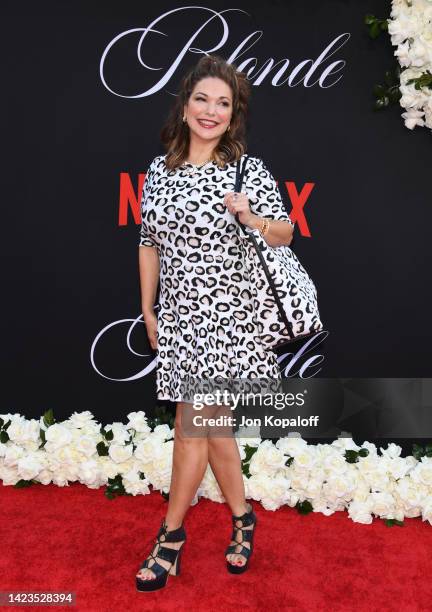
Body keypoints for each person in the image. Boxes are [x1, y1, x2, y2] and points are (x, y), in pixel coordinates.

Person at [136, 54, 294, 592]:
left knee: (192, 426)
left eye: (223, 103)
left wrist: (249, 215)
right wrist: (148, 308)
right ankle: (244, 518)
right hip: (179, 317)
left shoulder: (245, 170)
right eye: (202, 99)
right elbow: (148, 242)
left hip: (230, 319)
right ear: (184, 107)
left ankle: (170, 537)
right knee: (215, 431)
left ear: (233, 115)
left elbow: (285, 233)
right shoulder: (160, 170)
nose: (211, 110)